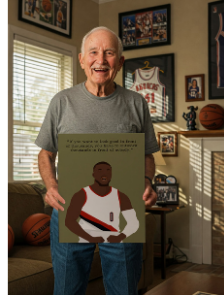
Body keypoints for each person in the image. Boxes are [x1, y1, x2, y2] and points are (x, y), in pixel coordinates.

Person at [35, 27, 158, 295]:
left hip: (122, 212)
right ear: (82, 60)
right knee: (67, 290)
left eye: (109, 53)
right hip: (70, 209)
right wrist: (51, 186)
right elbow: (46, 153)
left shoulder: (136, 103)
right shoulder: (62, 102)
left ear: (120, 62)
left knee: (124, 290)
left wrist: (147, 181)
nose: (100, 60)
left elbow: (146, 155)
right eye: (93, 52)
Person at [64, 162, 140, 244]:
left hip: (113, 240)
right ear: (93, 174)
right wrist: (90, 238)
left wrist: (120, 237)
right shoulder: (81, 194)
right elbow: (69, 221)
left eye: (108, 170)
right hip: (86, 239)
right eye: (100, 170)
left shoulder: (121, 196)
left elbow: (133, 223)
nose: (104, 173)